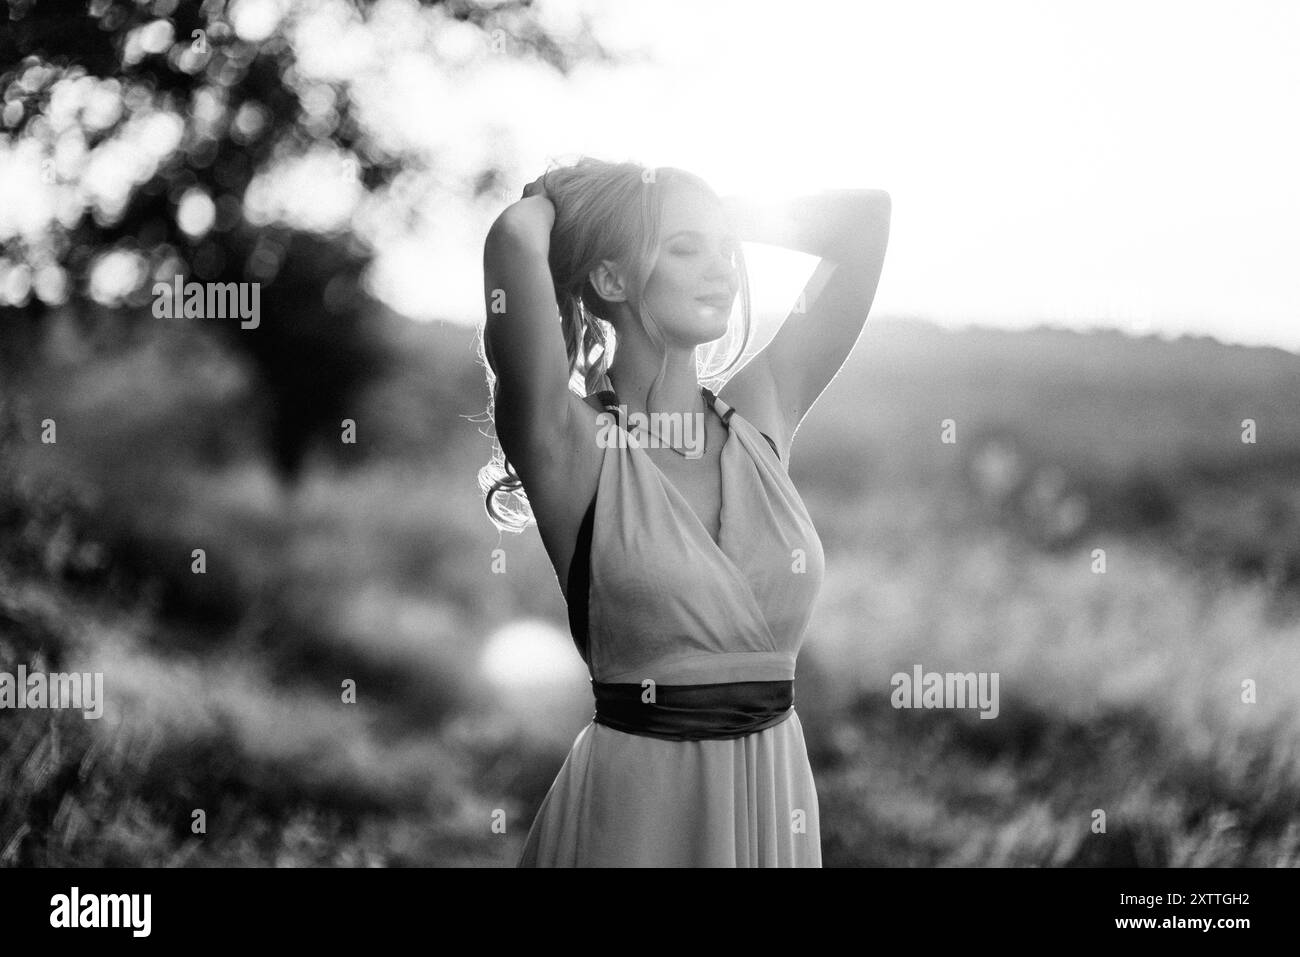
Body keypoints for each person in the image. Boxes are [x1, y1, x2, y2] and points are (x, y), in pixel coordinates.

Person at [478, 157, 890, 866]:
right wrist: (593, 206)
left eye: (726, 250)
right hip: (634, 821)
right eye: (686, 251)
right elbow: (517, 234)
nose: (723, 269)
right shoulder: (569, 443)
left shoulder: (762, 413)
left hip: (772, 803)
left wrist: (693, 211)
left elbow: (867, 219)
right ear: (610, 279)